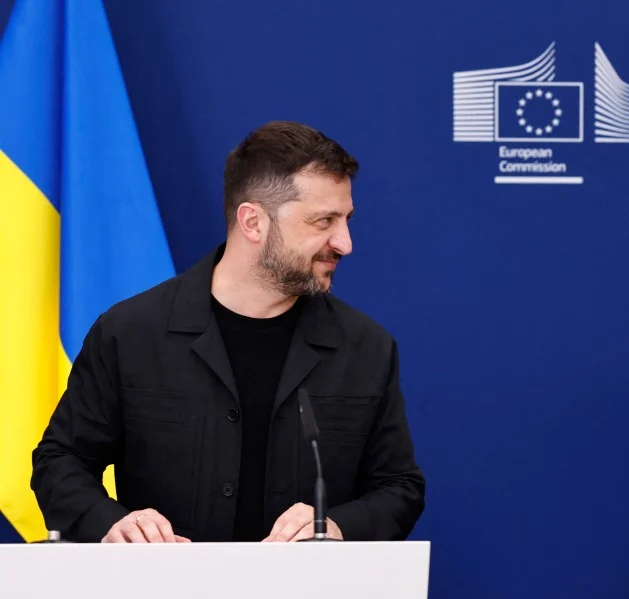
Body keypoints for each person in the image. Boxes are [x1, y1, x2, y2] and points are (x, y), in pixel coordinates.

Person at [32, 121, 425, 543]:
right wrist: (112, 524)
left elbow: (399, 487)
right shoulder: (129, 333)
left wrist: (338, 525)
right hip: (164, 585)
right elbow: (61, 460)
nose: (345, 243)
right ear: (253, 222)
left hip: (307, 587)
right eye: (323, 221)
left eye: (345, 219)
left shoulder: (366, 348)